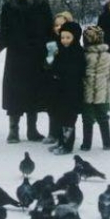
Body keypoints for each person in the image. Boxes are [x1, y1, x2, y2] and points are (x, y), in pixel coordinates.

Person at [0, 0, 53, 143]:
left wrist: (52, 48)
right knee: (15, 94)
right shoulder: (9, 6)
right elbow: (5, 33)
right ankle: (13, 130)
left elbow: (49, 30)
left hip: (37, 56)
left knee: (34, 93)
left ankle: (32, 130)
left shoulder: (42, 5)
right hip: (16, 57)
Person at [80, 25, 110, 151]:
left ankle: (86, 144)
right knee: (103, 119)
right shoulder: (109, 57)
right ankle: (107, 143)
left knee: (87, 119)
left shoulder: (83, 56)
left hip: (86, 93)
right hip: (103, 95)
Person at [48, 21, 85, 154]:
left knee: (69, 120)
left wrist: (61, 72)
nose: (64, 40)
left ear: (75, 37)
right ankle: (60, 141)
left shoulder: (78, 52)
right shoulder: (59, 50)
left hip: (72, 92)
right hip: (59, 91)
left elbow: (77, 70)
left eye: (68, 37)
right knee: (58, 117)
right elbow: (51, 65)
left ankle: (67, 145)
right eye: (62, 37)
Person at [43, 11, 73, 144]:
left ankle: (63, 135)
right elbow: (46, 62)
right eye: (56, 25)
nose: (58, 28)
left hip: (65, 82)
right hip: (51, 80)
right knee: (51, 107)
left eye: (62, 25)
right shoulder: (50, 42)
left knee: (63, 110)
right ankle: (52, 133)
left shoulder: (70, 42)